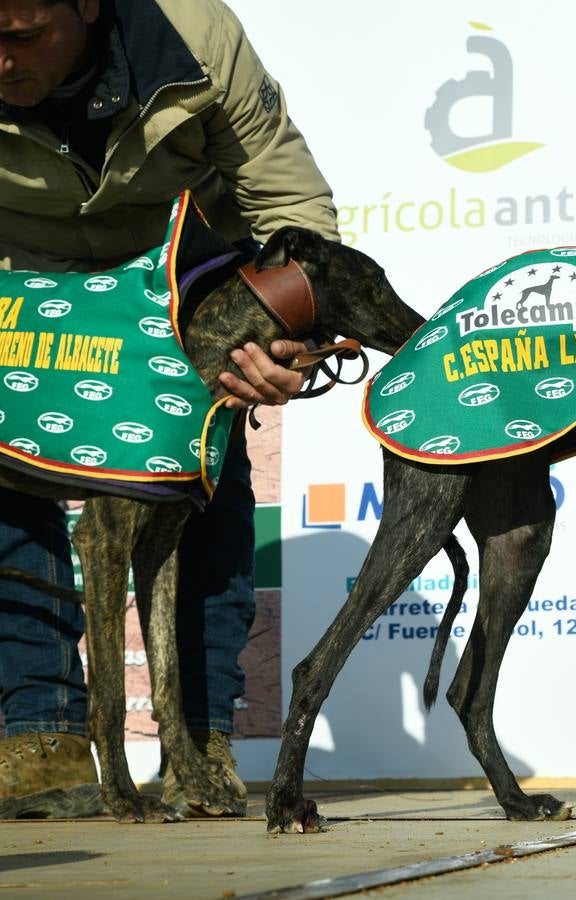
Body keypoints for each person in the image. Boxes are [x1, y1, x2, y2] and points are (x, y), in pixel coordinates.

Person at [0, 0, 337, 813]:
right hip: (19, 256)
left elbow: (284, 192)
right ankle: (38, 735)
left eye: (19, 36)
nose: (0, 62)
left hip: (180, 254)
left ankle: (196, 739)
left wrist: (292, 327)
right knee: (8, 479)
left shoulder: (193, 32)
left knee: (198, 472)